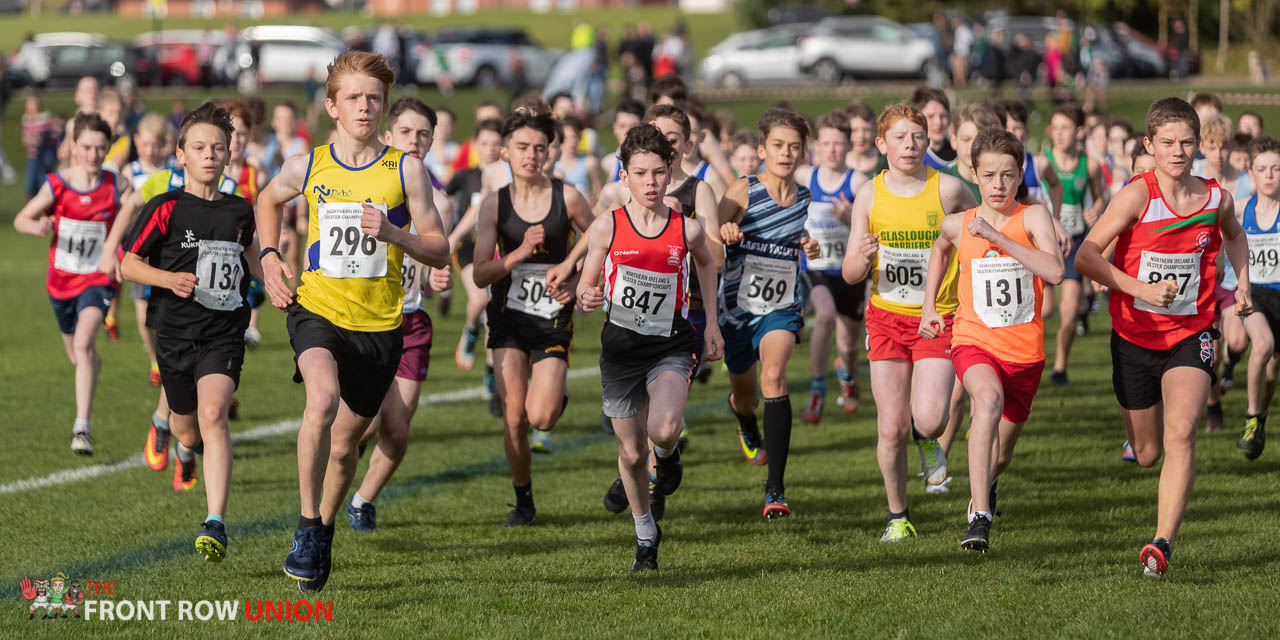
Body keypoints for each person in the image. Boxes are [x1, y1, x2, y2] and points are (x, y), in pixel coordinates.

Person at [255, 51, 451, 592]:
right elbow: (265, 201)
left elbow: (439, 250)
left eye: (373, 98)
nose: (364, 107)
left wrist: (394, 234)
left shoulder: (405, 169)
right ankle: (304, 525)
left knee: (345, 448)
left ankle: (323, 527)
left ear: (384, 106)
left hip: (380, 326)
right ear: (331, 106)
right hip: (316, 308)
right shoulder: (309, 164)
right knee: (319, 400)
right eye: (353, 98)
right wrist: (271, 256)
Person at [1074, 97, 1251, 579]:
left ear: (1198, 144)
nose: (1178, 151)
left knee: (1182, 432)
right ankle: (1133, 432)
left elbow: (1235, 237)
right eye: (1167, 143)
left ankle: (1161, 544)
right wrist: (1140, 289)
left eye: (1186, 142)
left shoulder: (1217, 199)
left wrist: (1241, 285)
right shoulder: (1137, 195)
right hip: (1134, 335)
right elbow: (1087, 256)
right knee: (1148, 452)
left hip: (1191, 334)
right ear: (1149, 146)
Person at [576, 123, 724, 571]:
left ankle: (670, 452)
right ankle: (645, 534)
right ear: (624, 175)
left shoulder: (687, 229)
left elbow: (708, 265)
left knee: (662, 428)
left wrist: (712, 323)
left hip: (670, 345)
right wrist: (587, 294)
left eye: (659, 173)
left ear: (670, 170)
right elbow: (587, 284)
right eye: (640, 173)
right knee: (631, 453)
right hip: (621, 349)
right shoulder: (607, 227)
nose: (650, 183)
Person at [120, 102, 262, 563]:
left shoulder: (241, 211)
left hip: (223, 330)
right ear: (180, 154)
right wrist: (168, 280)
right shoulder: (164, 207)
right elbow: (128, 264)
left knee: (215, 412)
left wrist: (284, 279)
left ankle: (215, 521)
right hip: (175, 333)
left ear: (227, 155)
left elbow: (254, 259)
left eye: (217, 148)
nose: (209, 155)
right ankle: (184, 449)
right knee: (187, 427)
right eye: (199, 147)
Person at [919, 128, 1064, 551]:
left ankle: (986, 485)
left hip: (1025, 352)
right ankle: (979, 516)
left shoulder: (1033, 217)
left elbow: (1054, 272)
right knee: (986, 400)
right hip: (972, 339)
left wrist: (999, 238)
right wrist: (930, 306)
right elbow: (940, 247)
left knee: (1001, 453)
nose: (998, 185)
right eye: (989, 176)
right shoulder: (957, 223)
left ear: (1020, 176)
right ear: (974, 176)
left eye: (1007, 175)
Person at [842, 103, 978, 541]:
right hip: (885, 318)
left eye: (917, 136)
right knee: (890, 426)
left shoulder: (950, 191)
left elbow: (980, 235)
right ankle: (897, 517)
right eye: (900, 138)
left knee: (930, 418)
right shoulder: (869, 194)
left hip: (935, 318)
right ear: (882, 145)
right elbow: (848, 272)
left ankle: (928, 440)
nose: (910, 145)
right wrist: (860, 260)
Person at [471, 110, 594, 524]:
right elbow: (480, 272)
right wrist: (518, 254)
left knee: (540, 416)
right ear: (505, 151)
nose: (531, 155)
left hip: (551, 317)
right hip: (507, 317)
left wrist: (577, 284)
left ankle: (554, 396)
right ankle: (523, 501)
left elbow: (604, 241)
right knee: (513, 417)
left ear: (549, 152)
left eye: (540, 148)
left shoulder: (568, 197)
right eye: (522, 147)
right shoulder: (494, 204)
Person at [346, 97, 455, 532]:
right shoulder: (365, 185)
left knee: (398, 426)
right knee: (365, 422)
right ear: (388, 136)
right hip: (366, 316)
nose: (415, 140)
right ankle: (337, 468)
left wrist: (437, 282)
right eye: (406, 132)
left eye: (423, 134)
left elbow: (433, 262)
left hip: (410, 319)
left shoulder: (441, 203)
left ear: (432, 140)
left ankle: (362, 500)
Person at [718, 107, 817, 518]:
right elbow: (710, 233)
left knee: (774, 375)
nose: (786, 153)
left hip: (780, 305)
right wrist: (724, 230)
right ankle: (744, 422)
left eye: (794, 147)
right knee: (746, 397)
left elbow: (792, 233)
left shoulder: (805, 197)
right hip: (737, 309)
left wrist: (806, 243)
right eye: (778, 145)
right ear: (761, 149)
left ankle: (775, 490)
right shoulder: (743, 190)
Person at [14, 113, 131, 456]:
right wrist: (35, 226)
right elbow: (23, 216)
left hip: (97, 280)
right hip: (61, 282)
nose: (94, 154)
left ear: (108, 148)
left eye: (100, 148)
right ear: (74, 147)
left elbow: (137, 219)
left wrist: (122, 253)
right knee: (77, 354)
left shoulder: (116, 185)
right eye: (87, 147)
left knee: (82, 345)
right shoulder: (58, 184)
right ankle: (90, 364)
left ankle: (82, 428)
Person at [797, 110, 870, 422]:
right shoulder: (804, 177)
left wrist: (851, 215)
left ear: (848, 145)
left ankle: (848, 374)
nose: (831, 150)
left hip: (849, 271)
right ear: (816, 145)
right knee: (824, 317)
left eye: (838, 144)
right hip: (815, 268)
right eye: (825, 143)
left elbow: (873, 224)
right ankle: (817, 390)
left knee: (849, 345)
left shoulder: (858, 181)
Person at [1196, 115, 1255, 428]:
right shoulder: (1192, 179)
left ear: (1232, 146)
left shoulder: (1247, 181)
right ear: (1201, 148)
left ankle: (1231, 369)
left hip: (1233, 277)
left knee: (1238, 342)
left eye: (1223, 147)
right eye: (1211, 147)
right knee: (1211, 355)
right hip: (1202, 278)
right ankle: (1214, 407)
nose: (1218, 154)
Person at [1043, 104, 1105, 386]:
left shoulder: (1089, 165)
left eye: (1064, 128)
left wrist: (1096, 211)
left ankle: (1059, 367)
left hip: (1074, 242)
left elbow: (1099, 198)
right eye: (1054, 128)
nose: (1058, 134)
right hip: (1042, 242)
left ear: (1079, 132)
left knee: (1068, 312)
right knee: (1043, 310)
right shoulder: (1041, 162)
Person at [121, 113, 177, 387]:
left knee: (170, 308)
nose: (151, 150)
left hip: (168, 248)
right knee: (143, 313)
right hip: (140, 249)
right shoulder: (130, 172)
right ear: (137, 143)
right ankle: (155, 359)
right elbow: (125, 206)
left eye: (157, 144)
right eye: (146, 145)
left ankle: (174, 357)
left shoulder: (173, 171)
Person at [447, 118, 504, 375]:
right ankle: (470, 331)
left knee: (495, 317)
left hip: (499, 250)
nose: (490, 148)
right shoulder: (464, 176)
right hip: (470, 247)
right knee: (480, 298)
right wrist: (450, 236)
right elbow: (444, 200)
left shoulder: (509, 177)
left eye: (496, 143)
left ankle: (491, 377)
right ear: (475, 145)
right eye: (485, 143)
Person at [1236, 136, 1280, 459]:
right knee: (1262, 345)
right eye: (1262, 169)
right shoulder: (1240, 209)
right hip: (1255, 297)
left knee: (1273, 370)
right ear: (1250, 175)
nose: (1269, 176)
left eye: (1276, 169)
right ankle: (1251, 416)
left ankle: (1261, 418)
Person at [602, 99, 645, 184]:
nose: (627, 131)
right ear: (615, 128)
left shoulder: (653, 160)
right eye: (622, 126)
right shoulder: (608, 162)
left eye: (634, 126)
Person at [912, 87, 955, 170]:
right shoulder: (912, 156)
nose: (938, 122)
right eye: (931, 116)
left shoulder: (959, 153)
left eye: (943, 116)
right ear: (917, 119)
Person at [845, 101, 887, 177]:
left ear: (874, 131)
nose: (861, 136)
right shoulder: (839, 163)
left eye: (866, 130)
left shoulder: (885, 162)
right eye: (854, 130)